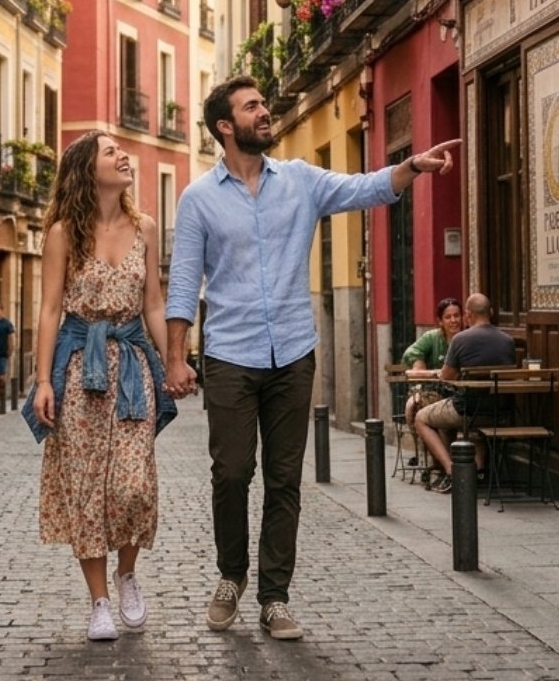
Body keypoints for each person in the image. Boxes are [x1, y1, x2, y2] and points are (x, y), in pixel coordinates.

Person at [164, 75, 459, 642]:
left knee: (283, 479)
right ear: (225, 126)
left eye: (264, 104)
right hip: (228, 354)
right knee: (231, 473)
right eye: (252, 107)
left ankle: (275, 597)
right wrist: (178, 357)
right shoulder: (198, 198)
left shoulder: (299, 180)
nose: (265, 112)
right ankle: (231, 575)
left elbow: (363, 188)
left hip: (293, 352)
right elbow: (182, 284)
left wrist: (411, 168)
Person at [25, 131, 175, 642]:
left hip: (132, 366)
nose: (123, 156)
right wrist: (43, 380)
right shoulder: (64, 233)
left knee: (134, 486)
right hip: (77, 374)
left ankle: (127, 573)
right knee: (86, 488)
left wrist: (174, 360)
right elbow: (48, 310)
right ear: (88, 169)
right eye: (111, 152)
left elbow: (153, 302)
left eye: (120, 150)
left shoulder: (145, 228)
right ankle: (99, 603)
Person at [413, 293, 516, 490]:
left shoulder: (460, 340)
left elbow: (447, 376)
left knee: (421, 418)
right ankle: (478, 472)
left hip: (467, 409)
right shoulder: (507, 340)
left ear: (468, 315)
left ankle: (452, 471)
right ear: (491, 313)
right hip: (499, 411)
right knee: (468, 426)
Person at [402, 297, 463, 448]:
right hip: (433, 391)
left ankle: (442, 461)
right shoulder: (432, 337)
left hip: (459, 394)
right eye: (448, 317)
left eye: (456, 315)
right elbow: (411, 352)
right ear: (440, 321)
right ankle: (428, 453)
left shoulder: (466, 338)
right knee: (412, 406)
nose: (453, 320)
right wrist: (420, 365)